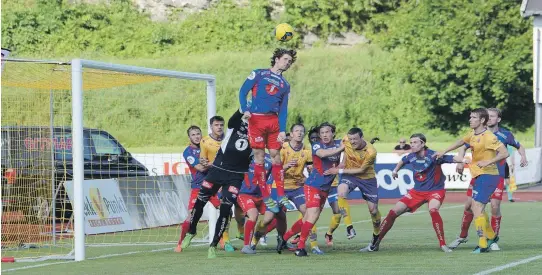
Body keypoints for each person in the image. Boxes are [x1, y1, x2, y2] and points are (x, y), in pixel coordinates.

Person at [361, 133, 467, 253]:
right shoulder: (410, 156)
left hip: (435, 191)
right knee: (392, 213)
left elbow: (452, 158)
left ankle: (443, 244)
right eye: (411, 143)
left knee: (433, 210)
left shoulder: (434, 155)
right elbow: (402, 161)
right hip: (416, 192)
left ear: (423, 144)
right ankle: (375, 244)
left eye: (415, 142)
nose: (412, 145)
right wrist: (395, 170)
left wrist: (463, 160)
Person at [450, 108, 528, 251]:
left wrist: (523, 156)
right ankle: (462, 236)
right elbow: (463, 146)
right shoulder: (477, 132)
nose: (489, 118)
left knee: (494, 206)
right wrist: (460, 161)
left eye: (493, 116)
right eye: (488, 116)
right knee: (469, 206)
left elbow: (519, 146)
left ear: (498, 119)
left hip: (495, 176)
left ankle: (492, 240)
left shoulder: (505, 135)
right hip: (478, 174)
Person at [180, 109, 253, 259]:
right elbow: (236, 117)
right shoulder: (232, 128)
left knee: (226, 210)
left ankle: (213, 245)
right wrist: (244, 107)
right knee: (200, 202)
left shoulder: (257, 135)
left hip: (235, 177)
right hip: (217, 172)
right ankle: (191, 232)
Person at [435, 108, 508, 253]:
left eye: (474, 117)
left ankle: (483, 243)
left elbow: (504, 153)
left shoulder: (488, 137)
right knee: (475, 207)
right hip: (478, 175)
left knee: (477, 208)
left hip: (489, 175)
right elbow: (460, 142)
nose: (470, 120)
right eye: (470, 117)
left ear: (482, 120)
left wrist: (488, 162)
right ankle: (492, 236)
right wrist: (444, 151)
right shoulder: (473, 134)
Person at [239, 48, 297, 212]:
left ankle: (280, 195)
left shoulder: (285, 85)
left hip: (273, 121)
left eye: (290, 62)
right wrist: (245, 109)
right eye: (286, 59)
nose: (288, 63)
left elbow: (284, 109)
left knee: (276, 158)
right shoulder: (258, 74)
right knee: (259, 158)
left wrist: (282, 130)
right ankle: (265, 196)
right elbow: (243, 91)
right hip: (256, 119)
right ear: (277, 59)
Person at [324, 127, 381, 251]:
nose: (352, 141)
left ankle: (376, 237)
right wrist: (343, 162)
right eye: (351, 139)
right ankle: (349, 227)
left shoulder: (371, 151)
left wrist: (338, 170)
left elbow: (361, 170)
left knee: (374, 211)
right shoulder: (345, 140)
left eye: (355, 139)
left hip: (367, 178)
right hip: (349, 174)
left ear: (362, 137)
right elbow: (345, 151)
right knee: (341, 191)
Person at [295, 122, 344, 257]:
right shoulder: (317, 144)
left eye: (327, 132)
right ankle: (300, 247)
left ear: (333, 133)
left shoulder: (340, 142)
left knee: (310, 217)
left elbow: (353, 147)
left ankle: (287, 237)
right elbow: (322, 154)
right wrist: (341, 148)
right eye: (322, 133)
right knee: (313, 213)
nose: (324, 135)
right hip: (313, 185)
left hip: (325, 189)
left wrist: (340, 165)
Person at [175, 126, 221, 252]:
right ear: (189, 137)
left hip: (213, 186)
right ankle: (180, 243)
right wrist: (215, 162)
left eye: (198, 134)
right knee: (190, 217)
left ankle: (224, 241)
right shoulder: (188, 152)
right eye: (193, 135)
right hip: (198, 187)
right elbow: (200, 168)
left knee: (226, 211)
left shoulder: (208, 146)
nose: (196, 136)